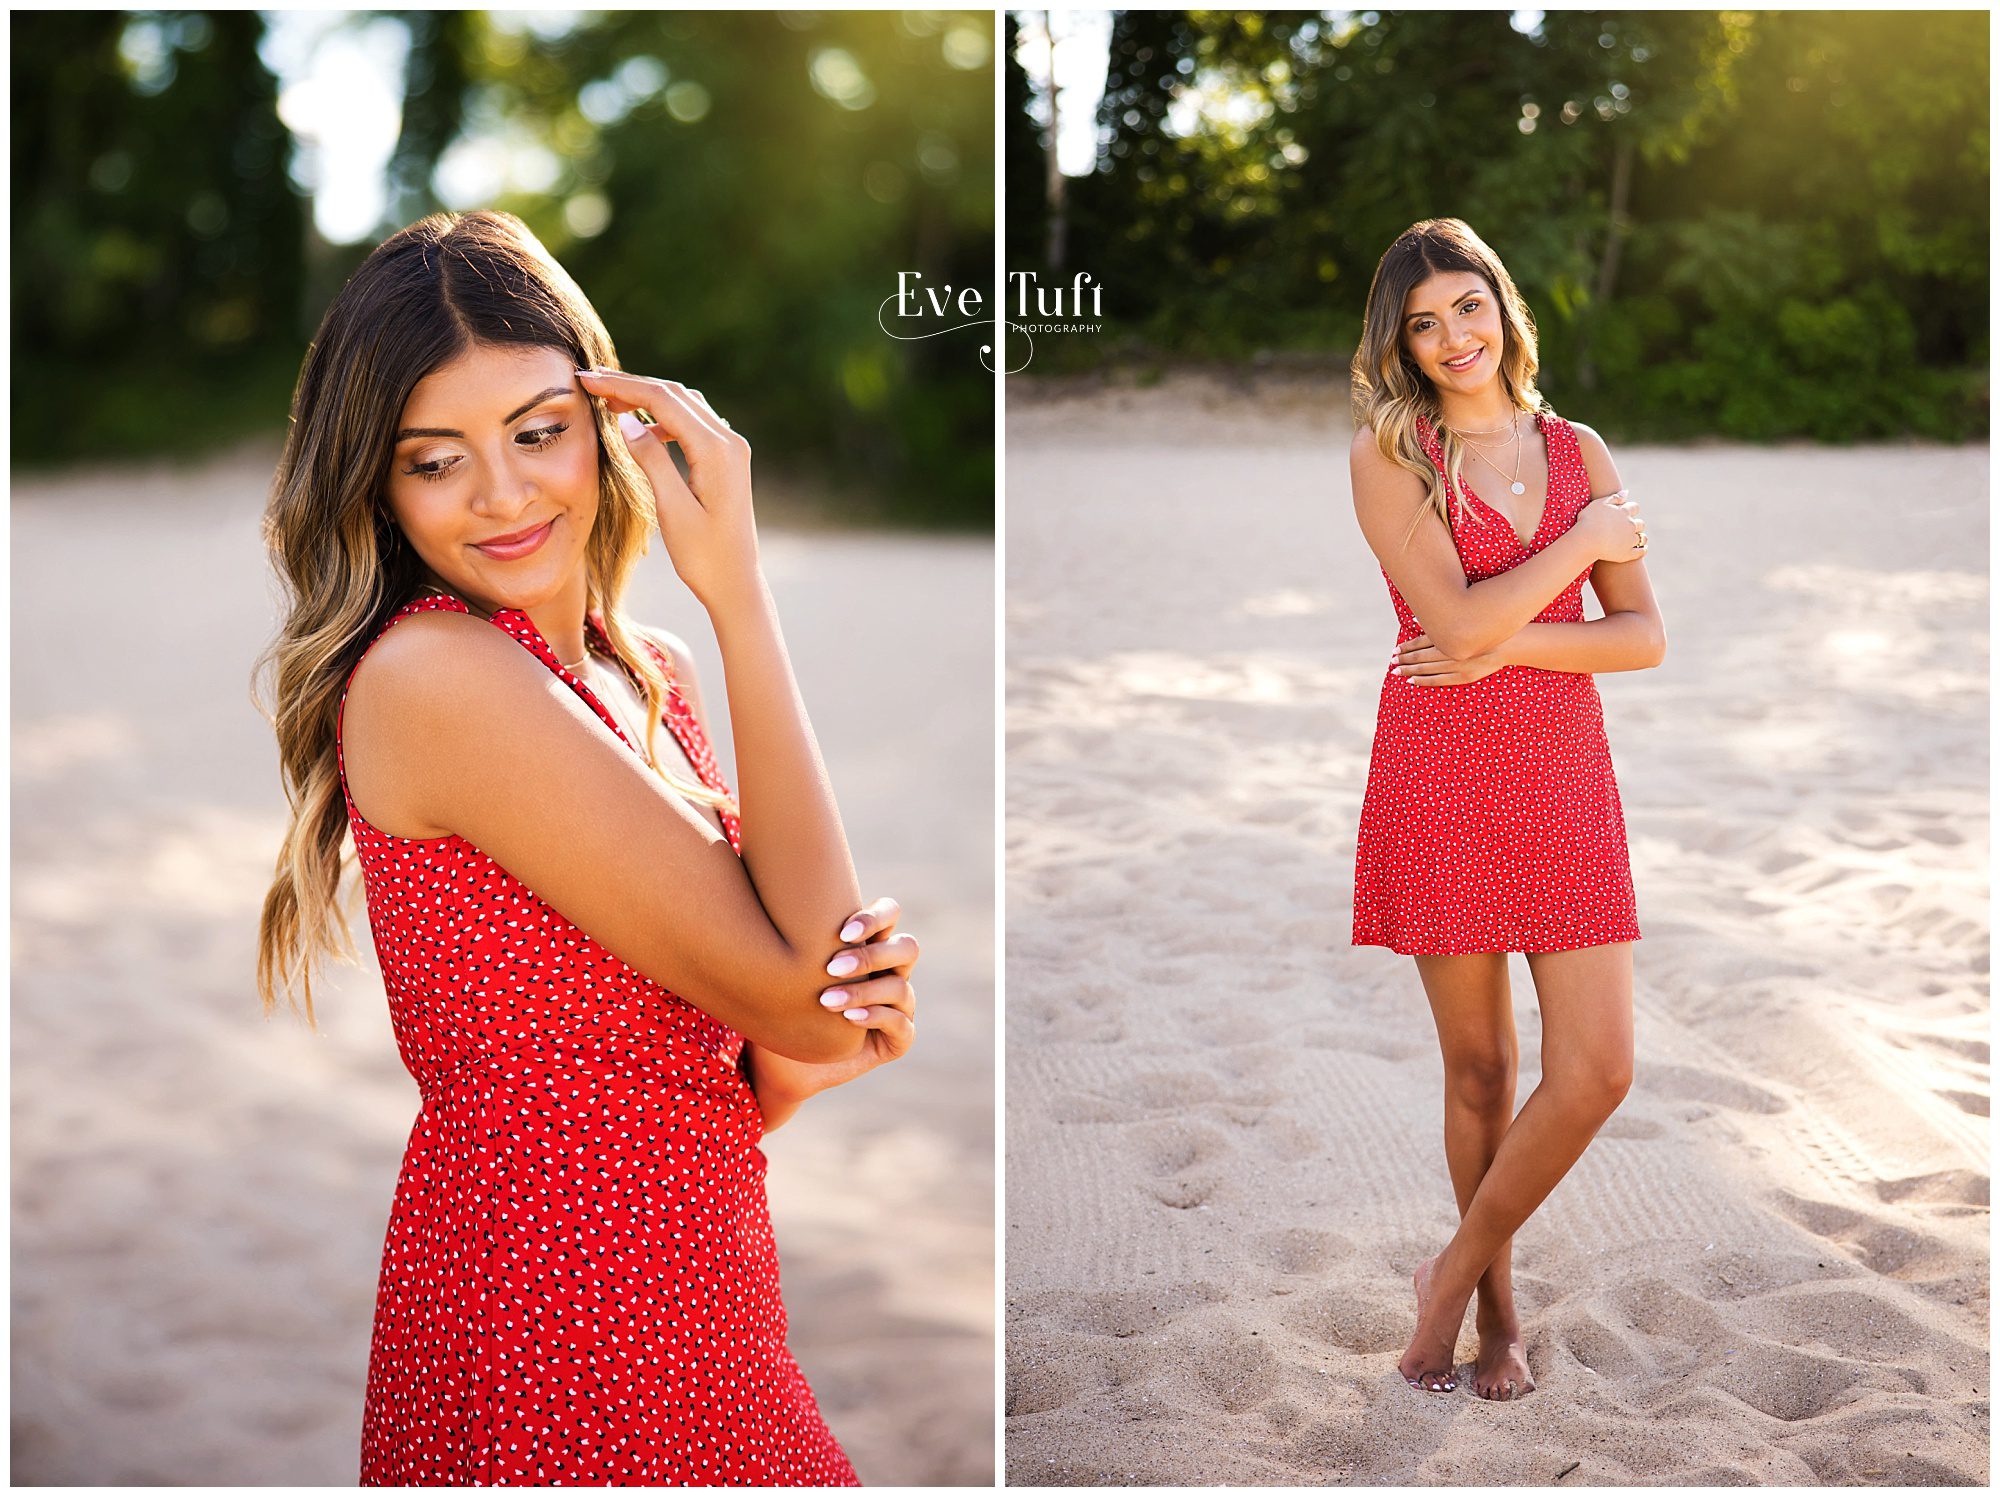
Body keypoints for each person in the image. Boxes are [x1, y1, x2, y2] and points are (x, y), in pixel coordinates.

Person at [254, 210, 918, 1483]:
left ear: (609, 421)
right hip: (547, 1327)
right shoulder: (433, 678)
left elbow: (757, 1052)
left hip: (697, 1287)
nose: (501, 495)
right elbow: (812, 997)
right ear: (376, 486)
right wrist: (741, 593)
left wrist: (788, 1065)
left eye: (536, 432)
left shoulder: (639, 668)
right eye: (433, 460)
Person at [1347, 218, 1664, 1401]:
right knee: (1478, 1070)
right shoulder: (1389, 455)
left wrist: (1498, 645)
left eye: (1464, 308)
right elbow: (1448, 622)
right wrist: (1577, 546)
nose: (1450, 338)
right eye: (1422, 324)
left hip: (1562, 774)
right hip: (1438, 770)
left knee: (1596, 1068)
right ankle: (1494, 1321)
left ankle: (1446, 1273)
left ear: (1501, 307)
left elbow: (1642, 637)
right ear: (1402, 344)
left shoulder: (1579, 447)